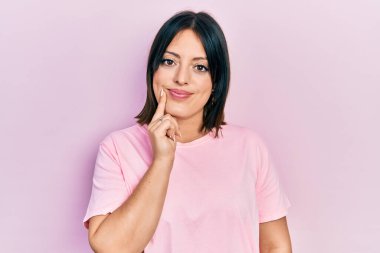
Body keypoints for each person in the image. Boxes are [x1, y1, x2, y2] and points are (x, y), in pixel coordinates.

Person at [83, 10, 292, 253]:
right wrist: (162, 160)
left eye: (200, 67)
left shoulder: (250, 147)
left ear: (216, 82)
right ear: (154, 71)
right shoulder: (118, 149)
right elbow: (112, 248)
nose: (182, 78)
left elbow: (275, 246)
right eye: (169, 62)